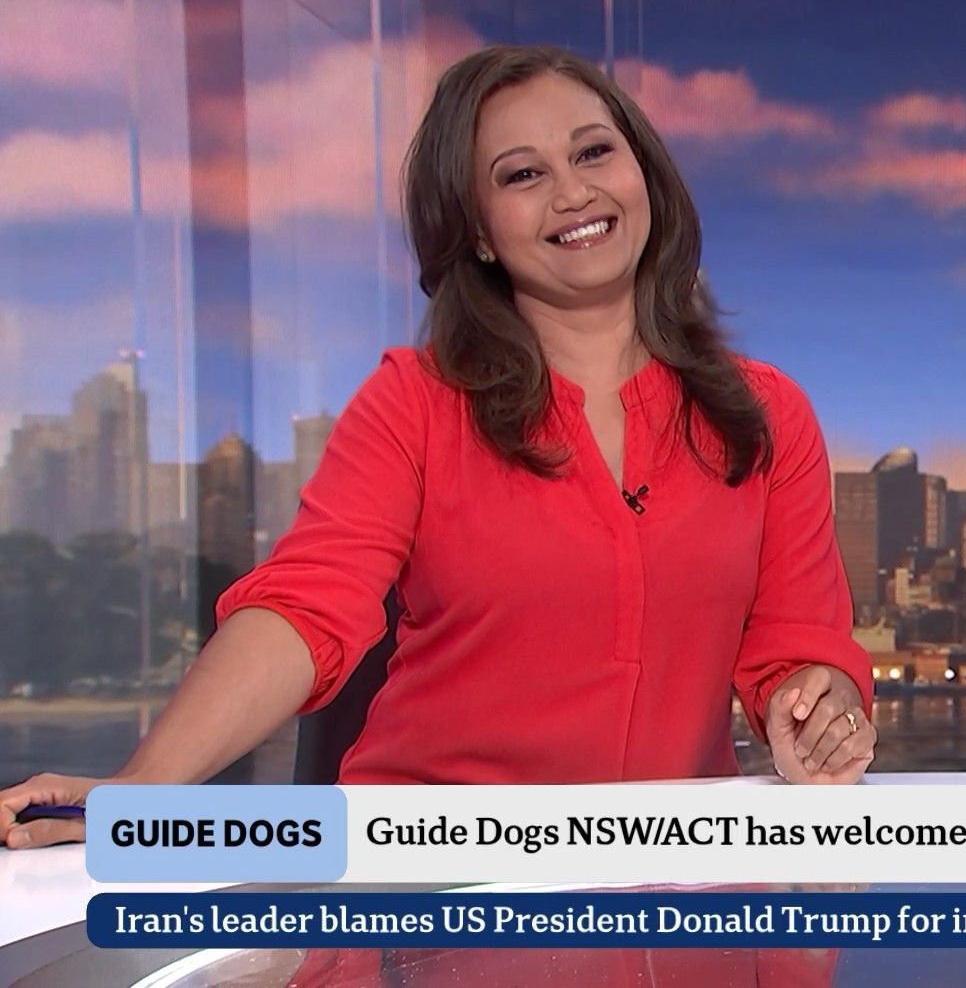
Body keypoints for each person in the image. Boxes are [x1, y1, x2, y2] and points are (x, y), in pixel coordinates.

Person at [1, 45, 875, 849]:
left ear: (643, 172)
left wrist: (817, 711)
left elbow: (799, 644)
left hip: (665, 882)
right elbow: (304, 611)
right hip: (428, 881)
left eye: (594, 153)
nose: (573, 193)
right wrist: (145, 788)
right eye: (523, 174)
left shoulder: (766, 413)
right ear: (479, 231)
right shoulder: (415, 403)